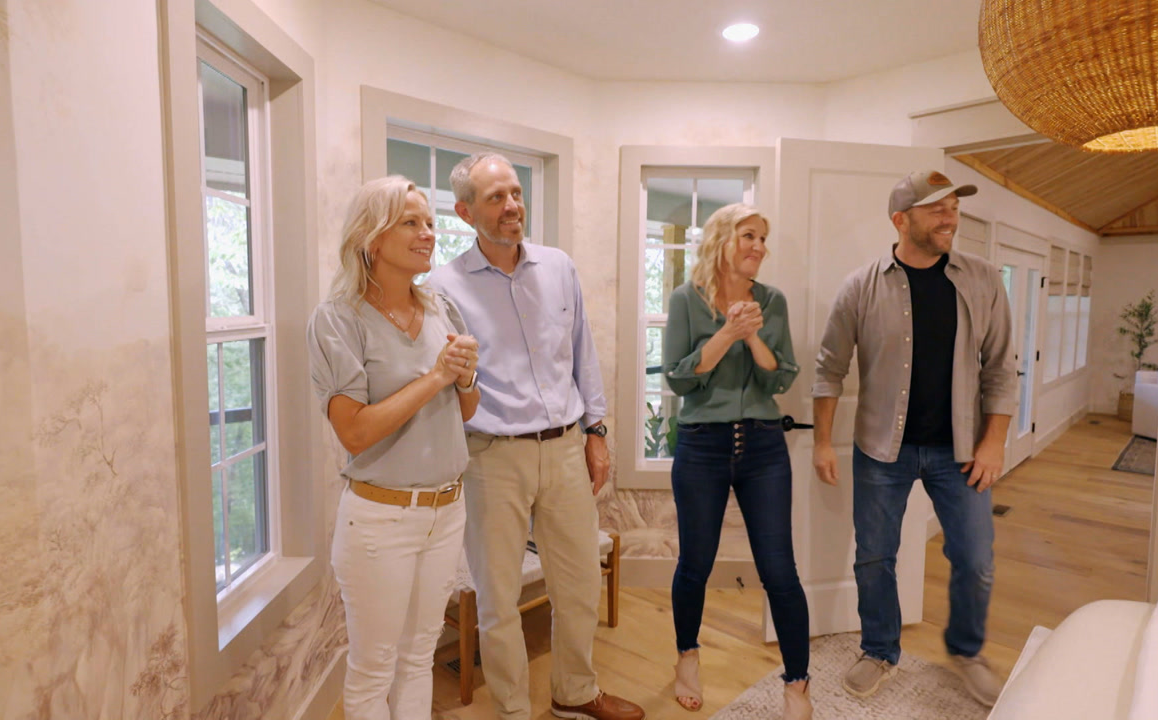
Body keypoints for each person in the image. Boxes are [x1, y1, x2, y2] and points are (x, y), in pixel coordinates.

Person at [426, 152, 644, 720]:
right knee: (498, 599)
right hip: (491, 457)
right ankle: (513, 710)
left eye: (516, 193)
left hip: (566, 448)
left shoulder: (558, 267)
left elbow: (582, 353)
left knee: (579, 584)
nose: (512, 206)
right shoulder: (443, 288)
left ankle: (575, 693)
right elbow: (446, 383)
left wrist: (596, 432)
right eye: (496, 197)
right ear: (465, 212)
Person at [811, 170, 1017, 707]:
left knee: (975, 558)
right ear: (901, 220)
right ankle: (879, 649)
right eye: (937, 209)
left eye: (954, 207)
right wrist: (822, 442)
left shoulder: (983, 279)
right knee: (875, 557)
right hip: (882, 449)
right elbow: (829, 368)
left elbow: (1001, 367)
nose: (951, 218)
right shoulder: (861, 286)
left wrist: (994, 442)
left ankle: (967, 651)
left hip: (961, 451)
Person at [307, 176, 481, 720]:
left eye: (429, 222)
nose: (428, 233)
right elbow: (355, 432)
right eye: (410, 222)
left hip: (447, 511)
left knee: (419, 655)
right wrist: (436, 377)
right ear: (372, 237)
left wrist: (466, 378)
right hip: (380, 521)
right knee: (374, 668)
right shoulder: (338, 320)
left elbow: (465, 412)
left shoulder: (442, 309)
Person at [662, 203, 814, 718]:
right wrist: (726, 333)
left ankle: (797, 685)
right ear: (722, 239)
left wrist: (751, 335)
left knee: (780, 571)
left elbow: (781, 376)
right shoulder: (686, 300)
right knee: (695, 565)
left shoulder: (772, 301)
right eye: (749, 236)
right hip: (702, 446)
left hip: (764, 446)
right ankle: (687, 657)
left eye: (763, 238)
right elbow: (678, 379)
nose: (759, 247)